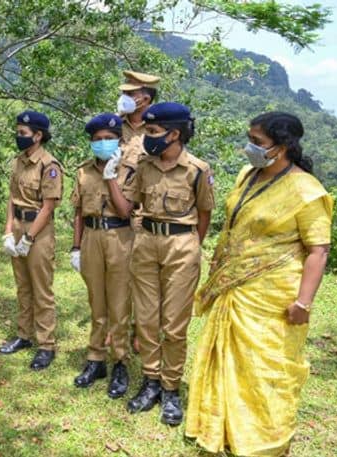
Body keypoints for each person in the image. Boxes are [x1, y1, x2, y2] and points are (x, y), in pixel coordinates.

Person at [185, 112, 332, 456]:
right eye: (250, 138)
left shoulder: (307, 191)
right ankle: (222, 425)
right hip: (235, 288)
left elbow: (319, 251)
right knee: (230, 359)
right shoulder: (247, 175)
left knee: (266, 365)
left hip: (274, 295)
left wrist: (304, 304)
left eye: (259, 142)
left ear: (281, 148)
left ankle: (264, 437)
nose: (250, 147)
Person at [123, 102, 214, 425]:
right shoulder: (144, 166)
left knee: (174, 325)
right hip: (146, 243)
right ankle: (150, 380)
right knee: (146, 319)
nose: (147, 138)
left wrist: (190, 246)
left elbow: (204, 213)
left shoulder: (198, 170)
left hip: (181, 246)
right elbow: (131, 203)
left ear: (174, 134)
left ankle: (171, 388)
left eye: (152, 132)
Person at [70, 114, 134, 395]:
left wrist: (111, 178)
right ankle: (96, 358)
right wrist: (75, 246)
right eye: (97, 140)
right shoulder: (83, 171)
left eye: (109, 139)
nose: (103, 144)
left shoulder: (129, 170)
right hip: (92, 238)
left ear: (120, 140)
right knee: (96, 302)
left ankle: (120, 361)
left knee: (119, 305)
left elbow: (125, 211)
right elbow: (78, 212)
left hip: (120, 236)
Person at [0, 110, 63, 371]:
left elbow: (48, 207)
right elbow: (12, 198)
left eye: (23, 133)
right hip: (18, 225)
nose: (18, 137)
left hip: (39, 229)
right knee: (23, 286)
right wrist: (8, 231)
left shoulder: (49, 165)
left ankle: (46, 344)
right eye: (18, 132)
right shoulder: (18, 161)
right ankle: (24, 336)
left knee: (41, 289)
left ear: (38, 135)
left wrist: (29, 238)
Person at [116, 70, 160, 354]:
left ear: (145, 98)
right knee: (117, 274)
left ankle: (140, 331)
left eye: (131, 94)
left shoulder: (158, 128)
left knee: (144, 277)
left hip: (144, 212)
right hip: (114, 206)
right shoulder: (114, 126)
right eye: (125, 93)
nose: (125, 98)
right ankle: (116, 329)